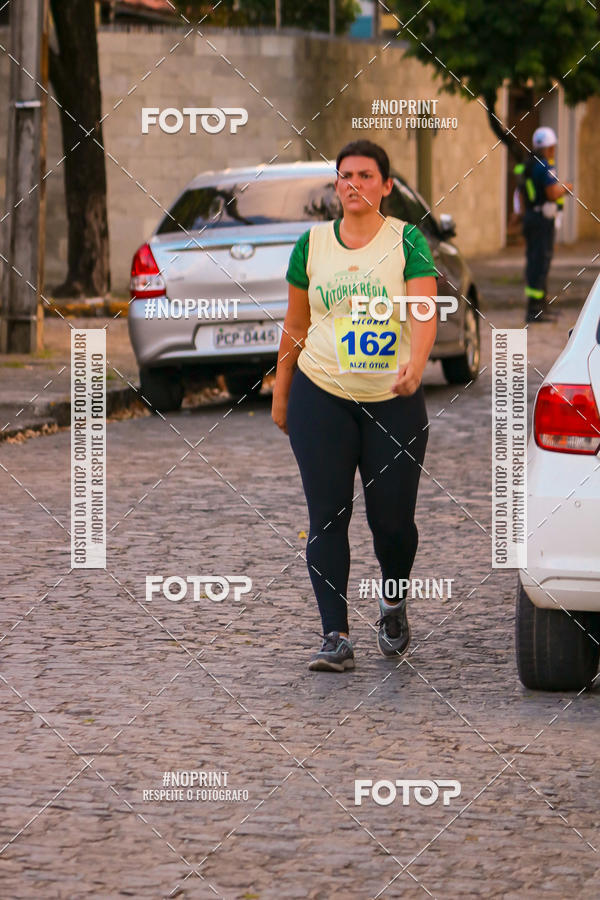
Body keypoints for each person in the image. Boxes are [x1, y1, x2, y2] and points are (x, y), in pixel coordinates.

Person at [271, 139, 438, 672]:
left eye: (366, 176)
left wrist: (418, 361)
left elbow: (424, 308)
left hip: (393, 401)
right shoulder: (312, 244)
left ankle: (392, 601)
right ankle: (334, 635)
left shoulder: (406, 240)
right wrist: (282, 391)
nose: (354, 185)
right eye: (345, 176)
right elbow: (296, 325)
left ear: (386, 186)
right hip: (321, 397)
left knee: (392, 522)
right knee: (327, 516)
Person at [519, 126, 573, 323]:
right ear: (550, 147)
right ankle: (536, 309)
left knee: (535, 262)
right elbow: (551, 193)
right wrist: (566, 188)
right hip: (542, 221)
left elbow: (523, 195)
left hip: (532, 219)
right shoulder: (545, 166)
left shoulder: (529, 164)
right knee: (541, 262)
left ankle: (538, 306)